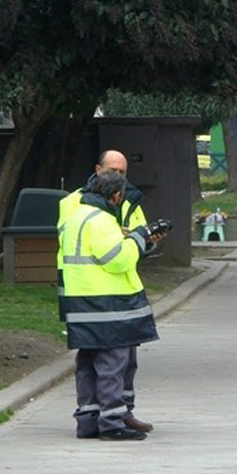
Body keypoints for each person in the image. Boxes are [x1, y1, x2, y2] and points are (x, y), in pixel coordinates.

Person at [57, 150, 160, 435]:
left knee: (89, 361)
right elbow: (117, 259)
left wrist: (139, 238)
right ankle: (113, 422)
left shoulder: (79, 213)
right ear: (115, 196)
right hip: (107, 301)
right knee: (113, 362)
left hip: (80, 297)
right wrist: (137, 238)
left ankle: (88, 420)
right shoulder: (101, 221)